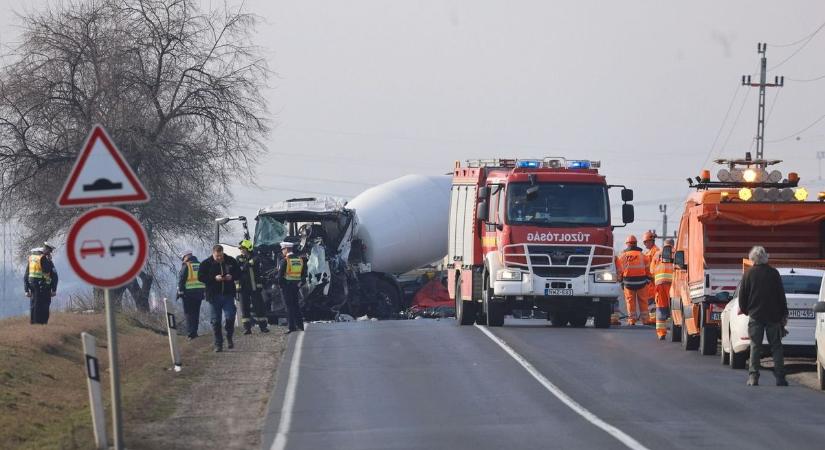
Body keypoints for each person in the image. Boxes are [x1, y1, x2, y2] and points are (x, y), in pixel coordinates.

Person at [738, 246, 788, 386]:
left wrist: (748, 311)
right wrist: (784, 314)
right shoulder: (774, 273)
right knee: (776, 347)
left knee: (755, 347)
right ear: (765, 257)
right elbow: (781, 296)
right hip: (773, 317)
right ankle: (780, 378)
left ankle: (753, 377)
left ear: (752, 258)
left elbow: (742, 298)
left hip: (756, 316)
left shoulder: (748, 274)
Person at [198, 245, 241, 352]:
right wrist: (214, 278)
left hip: (228, 294)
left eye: (221, 255)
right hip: (213, 295)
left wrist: (232, 276)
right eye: (217, 256)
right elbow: (200, 277)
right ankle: (218, 344)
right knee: (216, 321)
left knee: (230, 316)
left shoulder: (230, 261)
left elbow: (239, 273)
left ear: (223, 253)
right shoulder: (206, 263)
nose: (219, 258)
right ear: (213, 253)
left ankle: (229, 336)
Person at [615, 235, 651, 326]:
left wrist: (620, 280)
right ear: (636, 243)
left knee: (630, 302)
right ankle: (645, 320)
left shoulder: (623, 256)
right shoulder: (643, 256)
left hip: (628, 283)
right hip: (642, 282)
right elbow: (648, 270)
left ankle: (632, 320)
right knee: (643, 301)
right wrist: (648, 279)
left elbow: (619, 270)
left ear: (627, 244)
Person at [237, 239, 270, 334]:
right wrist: (248, 264)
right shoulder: (238, 258)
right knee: (244, 308)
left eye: (243, 248)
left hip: (254, 287)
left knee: (259, 307)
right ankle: (247, 328)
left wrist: (247, 265)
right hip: (243, 288)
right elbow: (240, 269)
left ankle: (263, 327)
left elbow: (257, 270)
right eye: (241, 249)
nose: (241, 250)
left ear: (248, 248)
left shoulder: (256, 258)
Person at [24, 242, 58, 324]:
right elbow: (49, 272)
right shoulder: (43, 259)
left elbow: (26, 274)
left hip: (32, 284)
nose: (49, 253)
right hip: (42, 286)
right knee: (42, 305)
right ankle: (40, 324)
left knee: (34, 304)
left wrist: (26, 289)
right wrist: (50, 261)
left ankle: (33, 323)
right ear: (46, 249)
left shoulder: (32, 258)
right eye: (49, 251)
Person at [277, 242, 306, 334]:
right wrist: (298, 284)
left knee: (288, 307)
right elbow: (303, 275)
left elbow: (280, 276)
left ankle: (291, 327)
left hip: (286, 287)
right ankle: (300, 326)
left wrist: (281, 286)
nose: (282, 251)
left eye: (282, 249)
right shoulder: (300, 260)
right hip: (295, 287)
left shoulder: (285, 260)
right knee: (296, 306)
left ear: (286, 249)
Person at [177, 250, 205, 340]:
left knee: (188, 314)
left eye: (183, 258)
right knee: (196, 313)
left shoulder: (187, 265)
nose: (183, 260)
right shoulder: (200, 265)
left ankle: (190, 334)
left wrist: (180, 291)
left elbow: (182, 279)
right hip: (199, 293)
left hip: (188, 294)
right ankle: (195, 332)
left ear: (187, 256)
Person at [650, 238, 675, 340]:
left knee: (661, 307)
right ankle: (676, 331)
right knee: (674, 308)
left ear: (664, 244)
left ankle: (661, 333)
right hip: (674, 284)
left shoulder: (657, 254)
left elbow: (651, 270)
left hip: (660, 284)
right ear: (673, 245)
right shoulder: (677, 252)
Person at [641, 231, 659, 325]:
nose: (644, 244)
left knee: (652, 300)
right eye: (644, 242)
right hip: (650, 280)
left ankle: (653, 318)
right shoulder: (650, 252)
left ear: (651, 241)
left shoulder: (655, 251)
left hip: (653, 279)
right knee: (650, 300)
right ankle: (652, 317)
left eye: (646, 242)